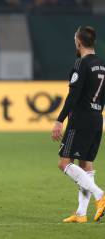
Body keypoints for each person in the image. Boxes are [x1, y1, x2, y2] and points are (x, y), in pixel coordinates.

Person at [51, 26, 105, 222]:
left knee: (64, 163)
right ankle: (81, 214)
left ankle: (100, 195)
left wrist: (59, 120)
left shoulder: (81, 64)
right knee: (86, 165)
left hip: (80, 119)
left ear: (79, 42)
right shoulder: (102, 64)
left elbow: (73, 95)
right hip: (97, 118)